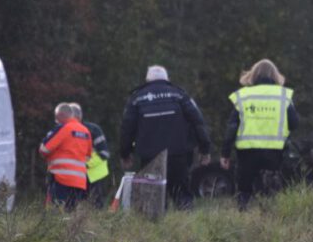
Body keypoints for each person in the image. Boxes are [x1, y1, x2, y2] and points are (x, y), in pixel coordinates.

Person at [120, 65, 211, 210]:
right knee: (182, 195)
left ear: (147, 80)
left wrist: (125, 154)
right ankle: (187, 228)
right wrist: (204, 149)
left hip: (150, 157)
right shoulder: (179, 94)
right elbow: (198, 122)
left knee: (153, 197)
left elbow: (127, 128)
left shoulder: (137, 98)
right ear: (167, 79)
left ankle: (157, 229)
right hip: (178, 154)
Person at [220, 58, 299, 208]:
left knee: (244, 192)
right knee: (271, 193)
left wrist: (225, 153)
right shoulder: (284, 95)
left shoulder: (243, 95)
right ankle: (270, 224)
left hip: (247, 153)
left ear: (253, 75)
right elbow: (294, 124)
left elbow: (231, 127)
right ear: (275, 75)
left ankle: (244, 224)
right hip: (275, 153)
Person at [38, 103, 92, 210]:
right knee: (71, 213)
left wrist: (51, 157)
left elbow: (44, 149)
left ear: (62, 115)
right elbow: (88, 156)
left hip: (61, 179)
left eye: (57, 117)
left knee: (57, 213)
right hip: (79, 181)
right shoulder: (86, 131)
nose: (56, 120)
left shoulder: (64, 128)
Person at [68, 103, 112, 207]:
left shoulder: (93, 130)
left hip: (93, 175)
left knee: (94, 205)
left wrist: (85, 165)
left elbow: (104, 153)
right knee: (72, 205)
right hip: (74, 174)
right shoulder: (65, 131)